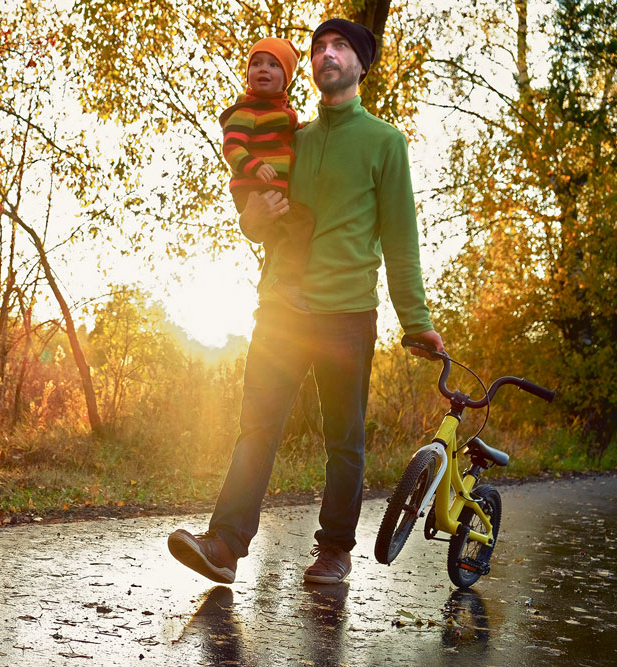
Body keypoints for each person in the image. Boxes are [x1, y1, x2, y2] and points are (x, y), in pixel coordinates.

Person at [168, 18, 444, 585]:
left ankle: (335, 550)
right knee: (257, 426)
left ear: (361, 64)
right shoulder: (291, 137)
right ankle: (224, 545)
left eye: (340, 46)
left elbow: (400, 237)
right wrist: (251, 220)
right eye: (319, 48)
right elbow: (263, 221)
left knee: (344, 437)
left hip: (346, 312)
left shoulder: (385, 143)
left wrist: (416, 320)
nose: (327, 54)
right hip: (281, 308)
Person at [219, 38, 315, 310]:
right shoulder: (246, 110)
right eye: (257, 63)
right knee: (299, 222)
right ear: (248, 72)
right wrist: (255, 166)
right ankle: (285, 283)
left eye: (274, 65)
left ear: (286, 79)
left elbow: (289, 133)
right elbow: (232, 146)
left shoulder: (282, 111)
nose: (264, 69)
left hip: (267, 186)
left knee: (280, 236)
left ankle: (273, 287)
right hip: (252, 187)